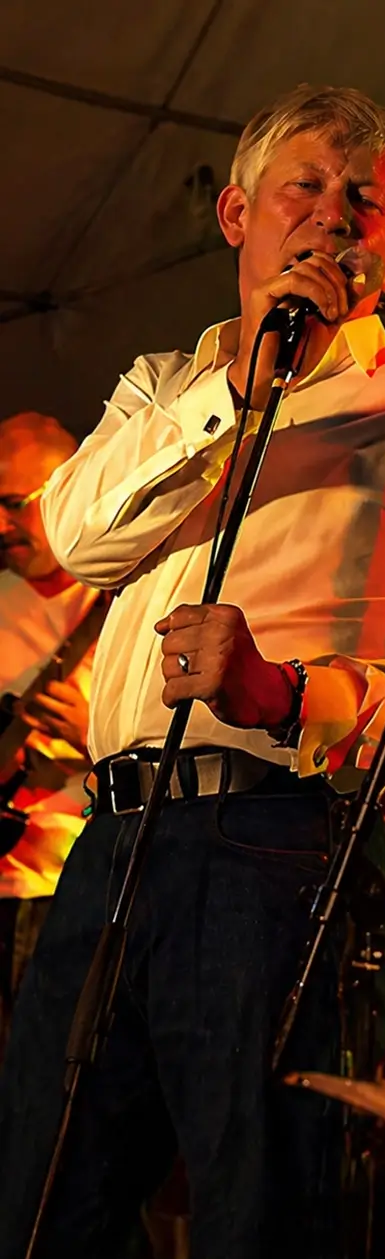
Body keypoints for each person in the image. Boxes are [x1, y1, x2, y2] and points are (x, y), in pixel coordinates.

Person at [0, 83, 385, 1259]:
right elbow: (73, 535)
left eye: (369, 204)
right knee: (38, 1217)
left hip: (276, 850)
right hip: (111, 847)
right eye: (307, 189)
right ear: (237, 212)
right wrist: (235, 390)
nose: (334, 222)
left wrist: (282, 695)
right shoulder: (159, 392)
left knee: (263, 1240)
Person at [0, 413, 97, 1054]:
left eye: (14, 506)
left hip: (59, 887)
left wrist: (96, 733)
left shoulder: (123, 602)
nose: (0, 527)